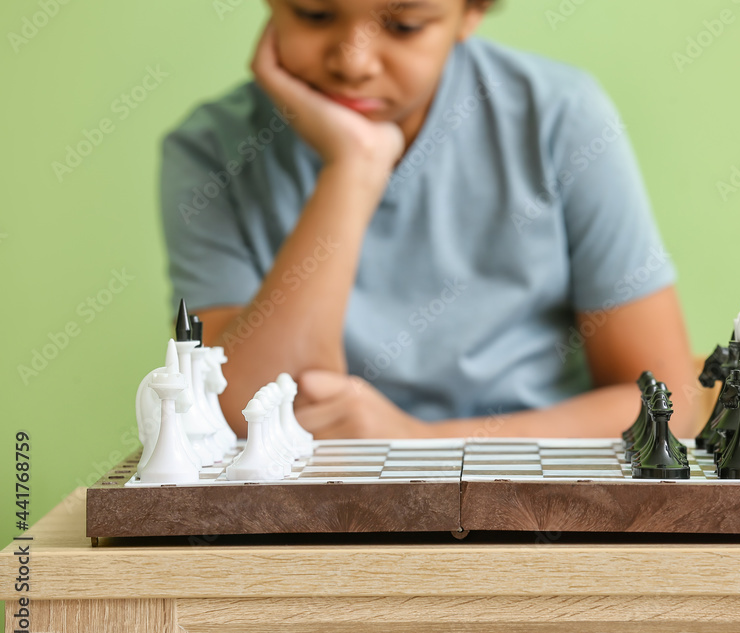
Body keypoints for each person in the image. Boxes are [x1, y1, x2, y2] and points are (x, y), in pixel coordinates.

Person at [159, 0, 701, 440]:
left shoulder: (560, 118)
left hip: (532, 499)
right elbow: (239, 415)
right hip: (330, 512)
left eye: (405, 24)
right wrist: (354, 168)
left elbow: (669, 401)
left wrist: (418, 441)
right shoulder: (211, 152)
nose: (354, 61)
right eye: (315, 14)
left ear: (471, 12)